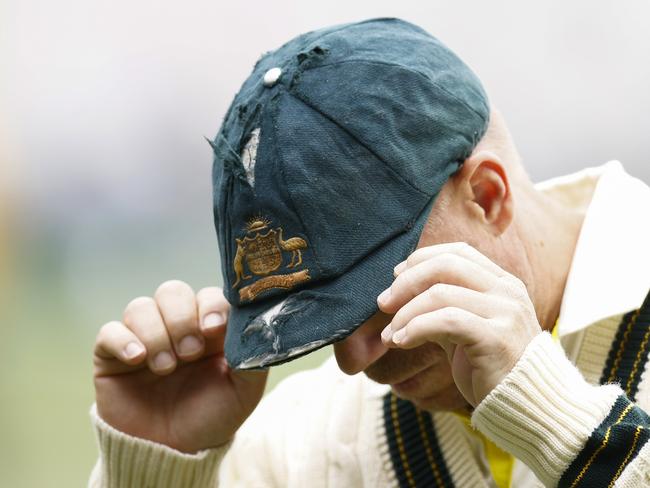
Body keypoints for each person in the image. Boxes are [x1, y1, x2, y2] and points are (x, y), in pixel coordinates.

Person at [88, 18, 650, 487]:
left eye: (375, 293)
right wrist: (154, 466)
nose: (355, 360)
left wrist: (563, 429)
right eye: (323, 320)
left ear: (486, 194)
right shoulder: (301, 445)